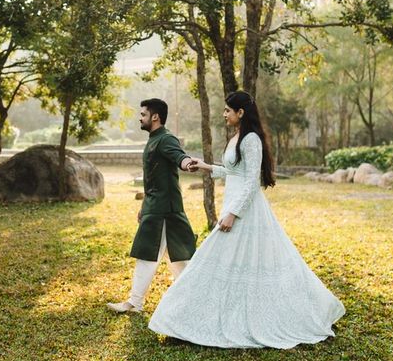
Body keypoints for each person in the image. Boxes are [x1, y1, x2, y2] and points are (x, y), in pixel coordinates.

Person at [148, 91, 345, 348]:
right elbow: (232, 173)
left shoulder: (251, 140)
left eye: (228, 110)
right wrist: (205, 166)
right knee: (220, 263)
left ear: (241, 113)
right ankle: (187, 322)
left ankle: (186, 321)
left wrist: (233, 213)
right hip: (233, 205)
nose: (224, 114)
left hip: (244, 211)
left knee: (212, 260)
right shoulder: (237, 137)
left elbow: (252, 181)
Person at [107, 98, 196, 313]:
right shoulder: (154, 139)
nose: (140, 117)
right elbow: (153, 179)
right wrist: (144, 205)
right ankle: (193, 299)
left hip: (164, 210)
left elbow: (179, 156)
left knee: (153, 256)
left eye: (143, 114)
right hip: (155, 207)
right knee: (177, 259)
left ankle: (135, 303)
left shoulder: (165, 139)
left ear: (155, 117)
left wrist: (187, 163)